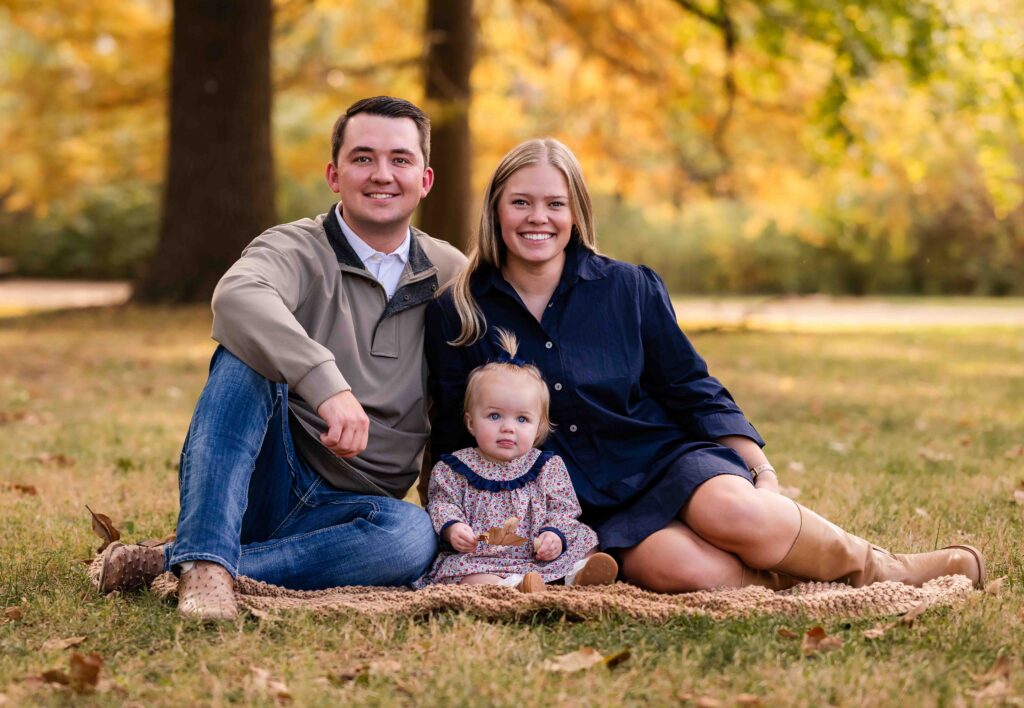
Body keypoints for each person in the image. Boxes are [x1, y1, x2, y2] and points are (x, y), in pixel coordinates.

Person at [423, 138, 985, 594]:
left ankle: (886, 572)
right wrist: (462, 523)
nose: (537, 218)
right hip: (572, 502)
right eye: (520, 202)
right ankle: (802, 585)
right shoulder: (461, 308)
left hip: (659, 455)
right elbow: (453, 430)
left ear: (577, 212)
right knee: (690, 573)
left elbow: (690, 385)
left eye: (555, 203)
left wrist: (761, 472)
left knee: (742, 515)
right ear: (496, 209)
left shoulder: (628, 287)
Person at [93, 96, 467, 619]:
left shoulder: (451, 271)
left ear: (425, 180)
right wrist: (326, 385)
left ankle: (182, 561)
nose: (382, 174)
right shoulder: (296, 247)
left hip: (353, 512)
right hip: (261, 479)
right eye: (363, 158)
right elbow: (236, 296)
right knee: (245, 352)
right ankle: (204, 568)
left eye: (400, 160)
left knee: (410, 539)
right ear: (334, 175)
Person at [416, 328, 618, 593]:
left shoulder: (546, 466)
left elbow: (564, 507)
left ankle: (578, 575)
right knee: (465, 576)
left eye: (522, 419)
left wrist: (553, 535)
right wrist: (454, 529)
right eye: (495, 416)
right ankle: (512, 587)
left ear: (539, 428)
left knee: (584, 539)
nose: (508, 428)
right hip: (482, 557)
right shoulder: (454, 469)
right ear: (471, 423)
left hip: (535, 554)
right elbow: (442, 503)